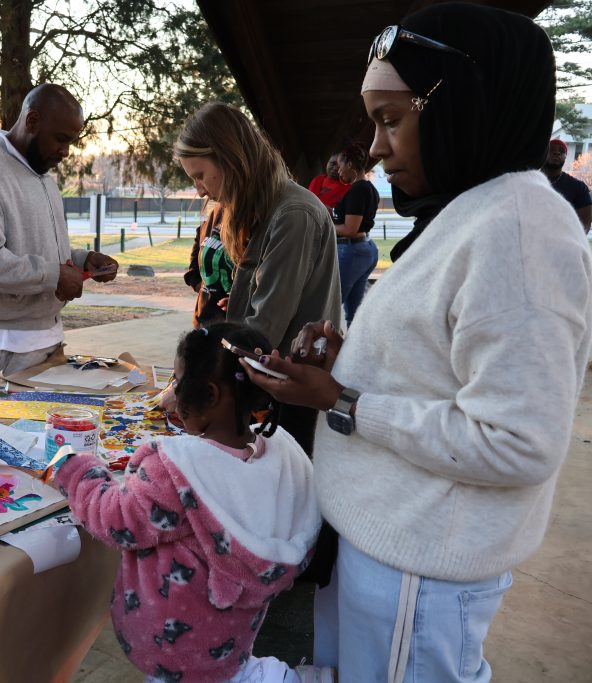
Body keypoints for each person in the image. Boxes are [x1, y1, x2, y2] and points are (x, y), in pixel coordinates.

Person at [243, 6, 592, 681]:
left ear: (468, 107)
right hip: (387, 546)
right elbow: (443, 363)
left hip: (420, 570)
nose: (375, 148)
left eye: (392, 119)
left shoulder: (519, 231)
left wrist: (343, 400)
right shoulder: (472, 211)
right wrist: (351, 355)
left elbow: (517, 439)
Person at [56, 322, 329, 683]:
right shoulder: (279, 456)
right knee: (230, 673)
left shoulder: (174, 470)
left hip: (172, 650)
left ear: (212, 395)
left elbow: (115, 518)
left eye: (177, 382)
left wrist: (75, 470)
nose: (172, 392)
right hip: (229, 638)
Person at [172, 102, 341, 456]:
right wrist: (238, 300)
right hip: (268, 387)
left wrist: (192, 385)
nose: (200, 190)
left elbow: (263, 330)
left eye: (200, 175)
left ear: (230, 159)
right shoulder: (261, 206)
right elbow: (264, 299)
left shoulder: (292, 214)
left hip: (291, 394)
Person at [0, 83, 119, 386]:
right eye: (61, 139)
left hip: (43, 335)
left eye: (71, 141)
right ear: (32, 121)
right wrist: (54, 275)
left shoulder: (40, 175)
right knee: (11, 430)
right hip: (6, 342)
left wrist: (82, 260)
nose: (65, 151)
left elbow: (36, 248)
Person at [331, 142, 380, 324]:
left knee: (333, 306)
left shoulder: (358, 190)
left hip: (352, 251)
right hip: (364, 249)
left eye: (340, 164)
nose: (338, 170)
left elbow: (351, 229)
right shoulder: (368, 188)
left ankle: (326, 349)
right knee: (354, 312)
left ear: (350, 164)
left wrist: (326, 226)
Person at [183, 205, 233, 328]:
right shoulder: (212, 217)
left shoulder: (251, 219)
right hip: (203, 322)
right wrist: (200, 285)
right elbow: (194, 266)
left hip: (233, 329)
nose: (200, 193)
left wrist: (238, 301)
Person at [542, 138, 591, 232]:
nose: (557, 153)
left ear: (565, 157)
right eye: (551, 149)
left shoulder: (579, 188)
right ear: (542, 154)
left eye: (561, 151)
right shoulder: (528, 182)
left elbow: (584, 226)